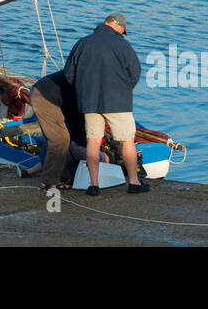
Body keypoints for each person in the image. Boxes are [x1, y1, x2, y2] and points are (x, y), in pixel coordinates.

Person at [62, 12, 149, 196]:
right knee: (127, 142)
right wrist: (124, 90)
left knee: (93, 141)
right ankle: (133, 182)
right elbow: (135, 73)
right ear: (117, 26)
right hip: (118, 102)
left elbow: (69, 74)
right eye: (122, 30)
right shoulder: (122, 45)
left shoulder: (83, 43)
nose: (122, 33)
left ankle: (94, 185)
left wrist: (83, 92)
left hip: (89, 101)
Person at [26, 67, 86, 189]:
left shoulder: (85, 81)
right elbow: (77, 119)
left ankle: (63, 178)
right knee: (59, 139)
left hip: (55, 99)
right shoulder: (84, 85)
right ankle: (48, 181)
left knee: (61, 139)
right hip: (43, 95)